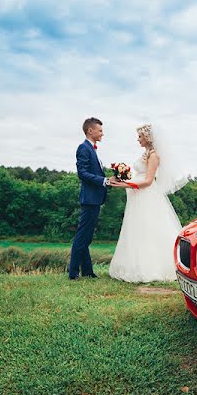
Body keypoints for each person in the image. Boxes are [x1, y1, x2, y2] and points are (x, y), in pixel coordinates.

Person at [107, 123, 186, 282]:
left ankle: (154, 268)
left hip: (146, 196)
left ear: (148, 138)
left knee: (148, 229)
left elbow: (149, 181)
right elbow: (141, 175)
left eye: (140, 136)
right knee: (136, 229)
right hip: (138, 196)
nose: (138, 139)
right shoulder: (146, 154)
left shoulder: (154, 156)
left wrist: (126, 184)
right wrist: (123, 177)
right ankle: (135, 266)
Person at [69, 117, 112, 280]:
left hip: (94, 199)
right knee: (82, 236)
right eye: (100, 130)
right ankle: (73, 273)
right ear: (90, 131)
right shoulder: (83, 148)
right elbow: (83, 173)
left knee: (86, 236)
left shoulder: (92, 149)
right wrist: (104, 181)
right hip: (89, 199)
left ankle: (87, 271)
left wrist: (109, 180)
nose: (102, 133)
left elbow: (94, 172)